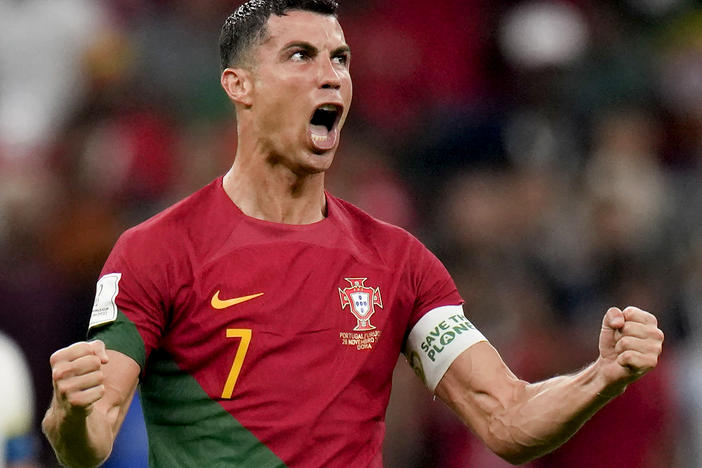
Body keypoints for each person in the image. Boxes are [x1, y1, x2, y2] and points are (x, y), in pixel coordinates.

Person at [41, 1, 665, 467]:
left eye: (339, 58)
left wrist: (602, 376)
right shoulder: (156, 249)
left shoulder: (399, 264)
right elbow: (91, 440)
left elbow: (508, 420)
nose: (331, 75)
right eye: (300, 56)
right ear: (240, 86)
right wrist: (68, 413)